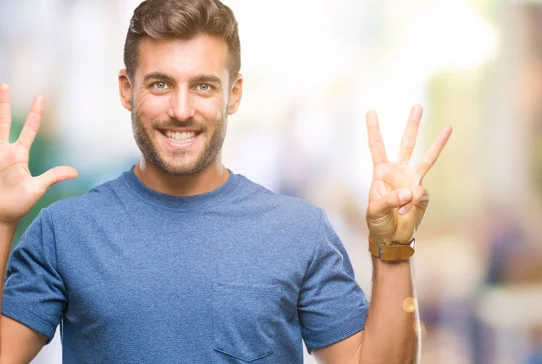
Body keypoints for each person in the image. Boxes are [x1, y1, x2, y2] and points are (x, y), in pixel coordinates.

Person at [0, 0, 452, 363]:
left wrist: (393, 252)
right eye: (159, 84)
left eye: (203, 86)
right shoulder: (64, 232)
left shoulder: (298, 231)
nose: (181, 109)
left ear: (233, 93)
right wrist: (1, 222)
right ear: (126, 89)